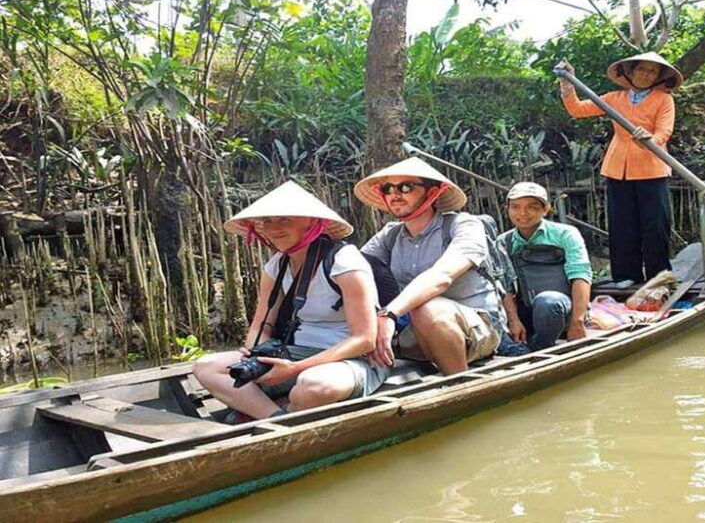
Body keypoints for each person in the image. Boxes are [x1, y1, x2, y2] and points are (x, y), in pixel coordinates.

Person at [193, 181, 388, 421]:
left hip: (350, 360)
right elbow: (261, 325)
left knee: (313, 385)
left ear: (312, 222)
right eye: (267, 221)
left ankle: (279, 411)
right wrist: (256, 352)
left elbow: (364, 339)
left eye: (284, 219)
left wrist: (295, 370)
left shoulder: (344, 261)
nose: (274, 229)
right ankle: (278, 419)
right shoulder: (276, 265)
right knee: (206, 367)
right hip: (292, 353)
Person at [355, 157, 504, 375]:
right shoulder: (390, 234)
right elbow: (352, 269)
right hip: (411, 331)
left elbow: (442, 276)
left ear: (433, 192)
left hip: (475, 331)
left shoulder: (463, 225)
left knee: (427, 308)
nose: (395, 195)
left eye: (406, 187)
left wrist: (389, 314)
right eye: (387, 188)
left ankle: (460, 388)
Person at [559, 52, 683, 287]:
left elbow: (664, 132)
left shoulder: (663, 100)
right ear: (631, 72)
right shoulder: (615, 98)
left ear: (658, 77)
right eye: (641, 69)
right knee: (622, 223)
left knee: (655, 224)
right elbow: (577, 110)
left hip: (652, 167)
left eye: (652, 71)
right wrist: (567, 82)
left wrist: (650, 139)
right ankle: (627, 275)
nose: (646, 75)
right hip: (618, 168)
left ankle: (659, 276)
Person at [496, 182, 592, 351]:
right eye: (516, 207)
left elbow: (581, 276)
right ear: (508, 209)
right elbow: (505, 286)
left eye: (531, 207)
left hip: (562, 308)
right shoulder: (503, 242)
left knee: (548, 302)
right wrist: (513, 320)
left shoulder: (565, 234)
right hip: (525, 311)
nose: (522, 213)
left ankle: (541, 347)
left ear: (545, 209)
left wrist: (577, 322)